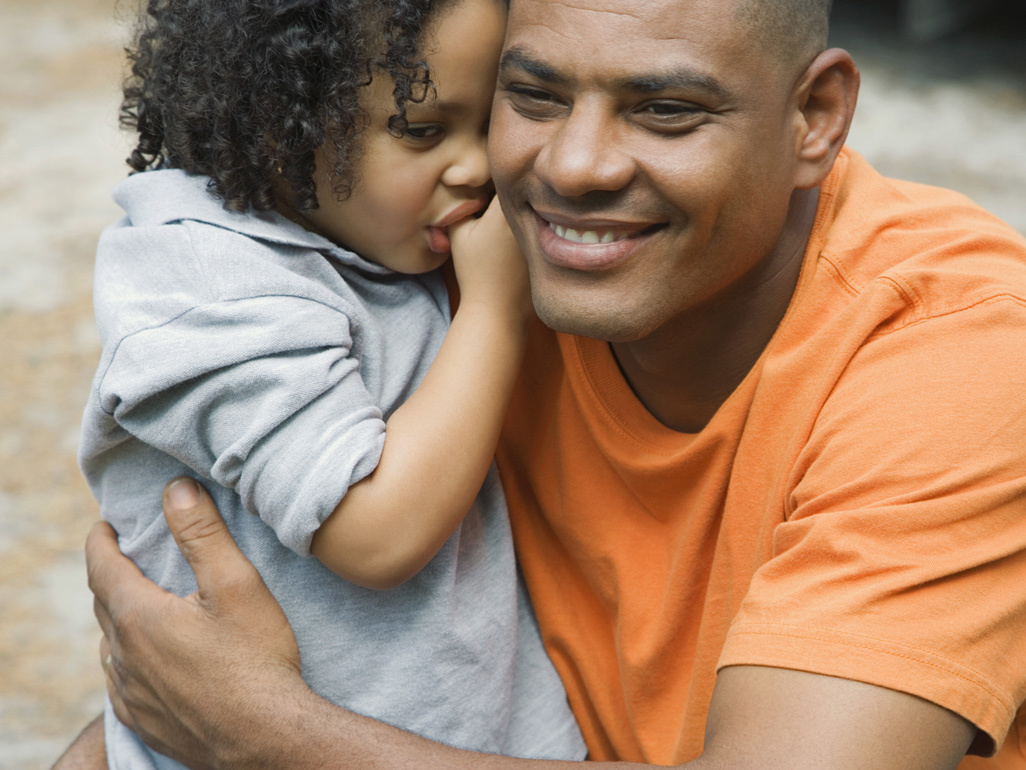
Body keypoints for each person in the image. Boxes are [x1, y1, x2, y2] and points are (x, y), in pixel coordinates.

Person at [63, 0, 1026, 767]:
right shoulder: (462, 250)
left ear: (814, 117)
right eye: (532, 97)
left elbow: (229, 709)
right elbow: (198, 655)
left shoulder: (954, 357)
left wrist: (265, 734)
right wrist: (168, 708)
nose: (574, 168)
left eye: (666, 110)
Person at [70, 0, 587, 767]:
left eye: (488, 123)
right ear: (282, 122)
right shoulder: (203, 286)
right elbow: (376, 533)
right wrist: (494, 312)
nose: (477, 165)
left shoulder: (366, 235)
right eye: (422, 129)